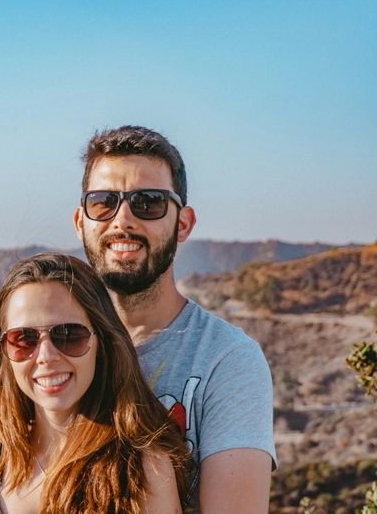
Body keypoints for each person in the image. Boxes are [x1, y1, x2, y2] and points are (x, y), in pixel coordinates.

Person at [73, 125, 276, 513]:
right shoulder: (49, 348)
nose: (123, 220)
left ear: (183, 223)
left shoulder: (228, 360)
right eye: (104, 202)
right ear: (81, 221)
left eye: (148, 202)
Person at [0, 252, 190, 514]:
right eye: (24, 339)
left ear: (101, 343)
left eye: (69, 335)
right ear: (4, 353)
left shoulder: (144, 468)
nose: (46, 356)